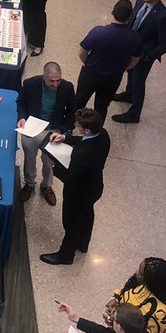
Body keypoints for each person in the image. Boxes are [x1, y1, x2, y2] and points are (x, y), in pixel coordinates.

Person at [39, 107, 111, 265]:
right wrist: (65, 138)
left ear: (86, 130)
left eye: (78, 126)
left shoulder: (82, 155)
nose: (76, 127)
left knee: (71, 223)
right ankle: (83, 243)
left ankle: (66, 255)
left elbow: (70, 179)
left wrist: (54, 167)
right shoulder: (103, 135)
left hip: (78, 193)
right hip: (94, 187)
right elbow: (82, 140)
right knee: (86, 215)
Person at [112, 0, 166, 124]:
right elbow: (134, 18)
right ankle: (129, 94)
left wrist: (148, 56)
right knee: (130, 72)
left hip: (144, 54)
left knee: (139, 81)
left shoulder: (163, 16)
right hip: (132, 47)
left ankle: (134, 114)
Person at [17, 62, 75, 205]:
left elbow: (71, 111)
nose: (55, 84)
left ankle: (46, 186)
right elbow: (21, 101)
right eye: (51, 81)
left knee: (49, 162)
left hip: (53, 128)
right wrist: (22, 117)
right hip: (32, 126)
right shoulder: (30, 84)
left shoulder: (67, 87)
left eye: (58, 80)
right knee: (29, 158)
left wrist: (65, 131)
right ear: (44, 77)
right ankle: (30, 183)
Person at [75, 0, 142, 118]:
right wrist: (123, 68)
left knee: (79, 101)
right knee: (102, 106)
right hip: (113, 77)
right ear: (130, 16)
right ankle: (96, 130)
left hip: (91, 73)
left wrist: (88, 63)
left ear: (112, 12)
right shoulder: (135, 37)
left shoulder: (98, 32)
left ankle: (71, 126)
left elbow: (81, 52)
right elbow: (135, 60)